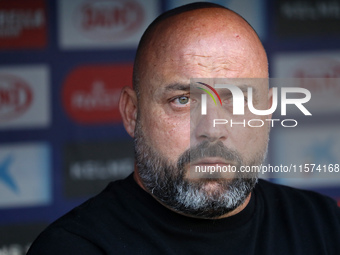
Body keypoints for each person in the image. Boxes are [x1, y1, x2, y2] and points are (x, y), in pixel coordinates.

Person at [27, 2, 340, 254]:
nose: (212, 128)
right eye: (182, 99)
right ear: (132, 113)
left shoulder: (323, 225)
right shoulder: (74, 247)